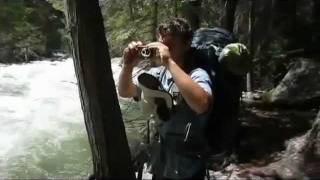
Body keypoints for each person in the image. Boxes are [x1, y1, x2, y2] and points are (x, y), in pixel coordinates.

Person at [118, 18, 213, 180]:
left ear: (187, 44)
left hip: (187, 167)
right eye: (163, 42)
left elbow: (202, 104)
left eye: (171, 45)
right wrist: (128, 65)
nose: (164, 48)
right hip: (160, 163)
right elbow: (125, 91)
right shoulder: (157, 74)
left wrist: (168, 61)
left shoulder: (197, 74)